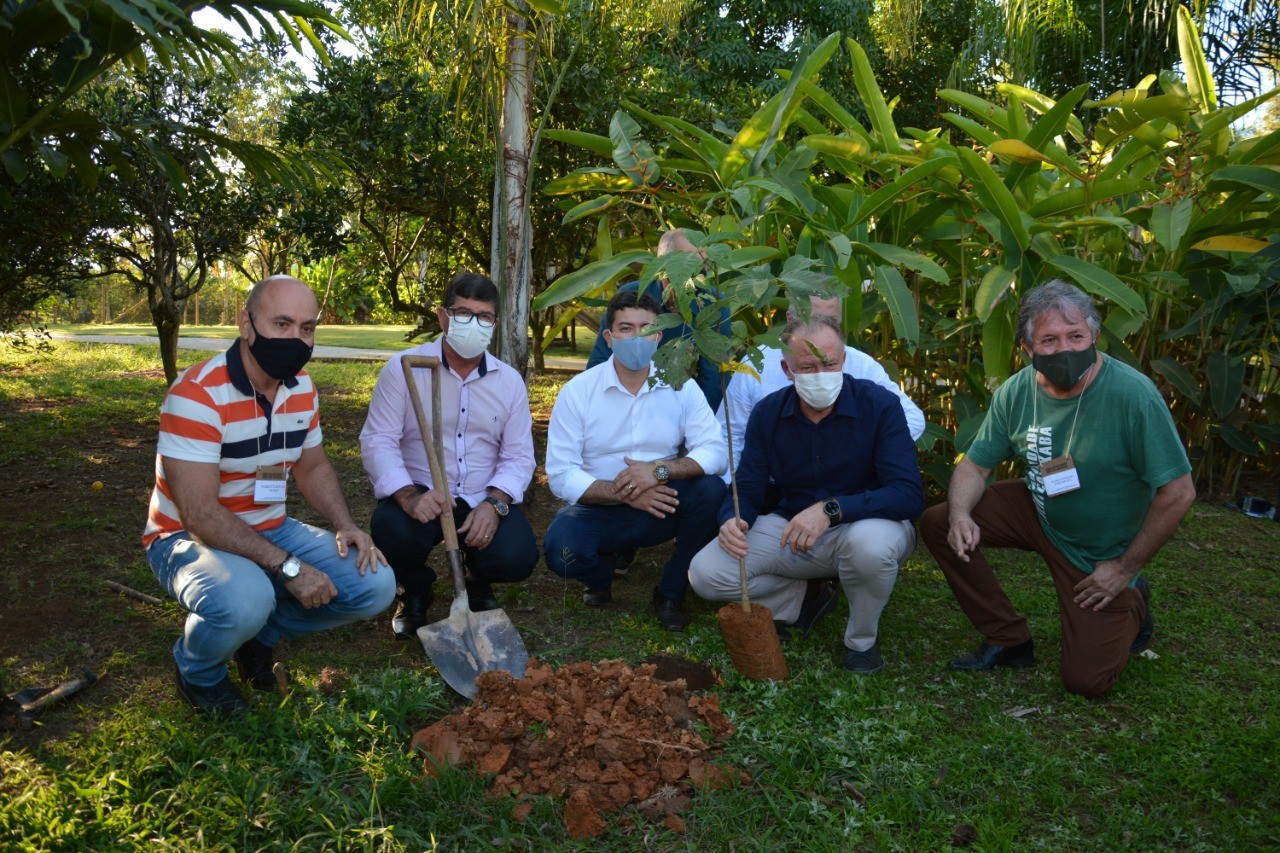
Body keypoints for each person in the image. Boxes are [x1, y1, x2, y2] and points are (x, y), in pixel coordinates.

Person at [920, 279, 1195, 698]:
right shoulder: (1016, 390)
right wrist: (960, 515)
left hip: (1098, 550)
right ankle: (1008, 638)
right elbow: (975, 467)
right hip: (1040, 509)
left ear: (1094, 336)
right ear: (1028, 350)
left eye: (1076, 336)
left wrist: (1122, 569)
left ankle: (1134, 597)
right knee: (940, 521)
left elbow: (1178, 491)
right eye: (1049, 340)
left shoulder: (1133, 395)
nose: (1064, 349)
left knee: (1086, 681)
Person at [143, 275, 396, 716]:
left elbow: (313, 466)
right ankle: (197, 672)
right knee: (248, 598)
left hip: (270, 528)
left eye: (307, 328)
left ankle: (255, 638)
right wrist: (289, 567)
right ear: (246, 323)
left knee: (376, 585)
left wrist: (345, 524)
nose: (296, 339)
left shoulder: (302, 389)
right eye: (281, 324)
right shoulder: (196, 395)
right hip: (183, 538)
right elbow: (199, 515)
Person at [689, 314, 924, 673]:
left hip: (866, 524)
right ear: (787, 369)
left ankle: (861, 642)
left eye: (829, 363)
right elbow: (748, 485)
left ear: (843, 360)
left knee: (870, 547)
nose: (820, 374)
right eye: (807, 366)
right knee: (706, 573)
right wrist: (733, 519)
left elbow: (908, 494)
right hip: (794, 531)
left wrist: (831, 509)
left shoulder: (880, 406)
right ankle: (804, 598)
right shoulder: (768, 412)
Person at [360, 272, 538, 639]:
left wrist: (495, 502)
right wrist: (408, 496)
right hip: (424, 492)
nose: (473, 324)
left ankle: (476, 580)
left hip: (479, 494)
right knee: (392, 530)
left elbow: (520, 456)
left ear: (495, 323)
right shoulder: (404, 368)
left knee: (517, 557)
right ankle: (414, 589)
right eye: (462, 313)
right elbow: (379, 440)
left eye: (484, 316)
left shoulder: (508, 381)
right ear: (443, 317)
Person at [544, 289, 728, 632]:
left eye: (645, 329)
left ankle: (671, 591)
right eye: (625, 328)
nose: (636, 337)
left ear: (658, 337)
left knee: (711, 490)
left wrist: (658, 472)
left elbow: (715, 451)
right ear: (609, 338)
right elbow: (560, 473)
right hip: (598, 506)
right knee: (562, 549)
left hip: (662, 501)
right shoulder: (578, 392)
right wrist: (625, 491)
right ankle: (600, 576)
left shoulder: (681, 387)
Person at [716, 294, 926, 482]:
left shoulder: (860, 364)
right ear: (789, 320)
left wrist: (859, 453)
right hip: (773, 489)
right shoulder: (757, 363)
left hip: (849, 488)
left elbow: (912, 418)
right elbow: (730, 434)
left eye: (831, 322)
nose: (821, 330)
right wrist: (733, 492)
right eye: (812, 320)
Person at [585, 229, 729, 412]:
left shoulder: (715, 305)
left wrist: (695, 424)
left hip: (683, 410)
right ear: (663, 265)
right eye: (684, 265)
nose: (691, 276)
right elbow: (600, 360)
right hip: (623, 404)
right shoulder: (632, 296)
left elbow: (713, 379)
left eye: (699, 267)